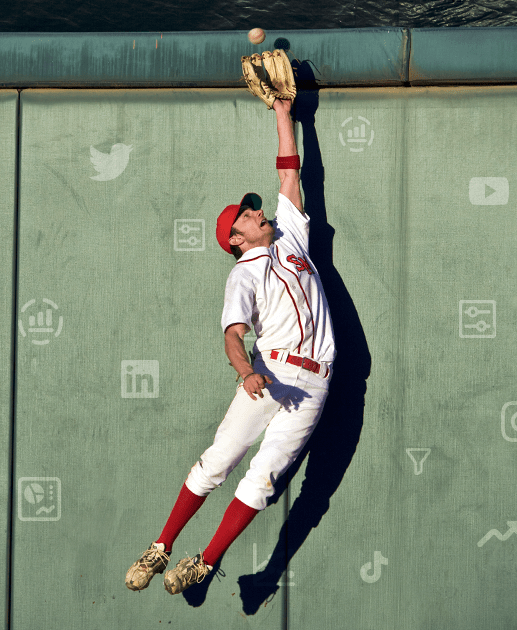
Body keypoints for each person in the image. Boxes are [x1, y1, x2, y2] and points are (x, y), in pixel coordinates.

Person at [126, 96, 335, 595]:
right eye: (246, 215)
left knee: (261, 481)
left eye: (252, 209)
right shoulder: (242, 274)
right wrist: (245, 371)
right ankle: (161, 547)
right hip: (269, 375)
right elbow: (233, 335)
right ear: (236, 239)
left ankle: (206, 561)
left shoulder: (291, 237)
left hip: (314, 382)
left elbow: (289, 172)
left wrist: (285, 112)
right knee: (218, 460)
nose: (256, 211)